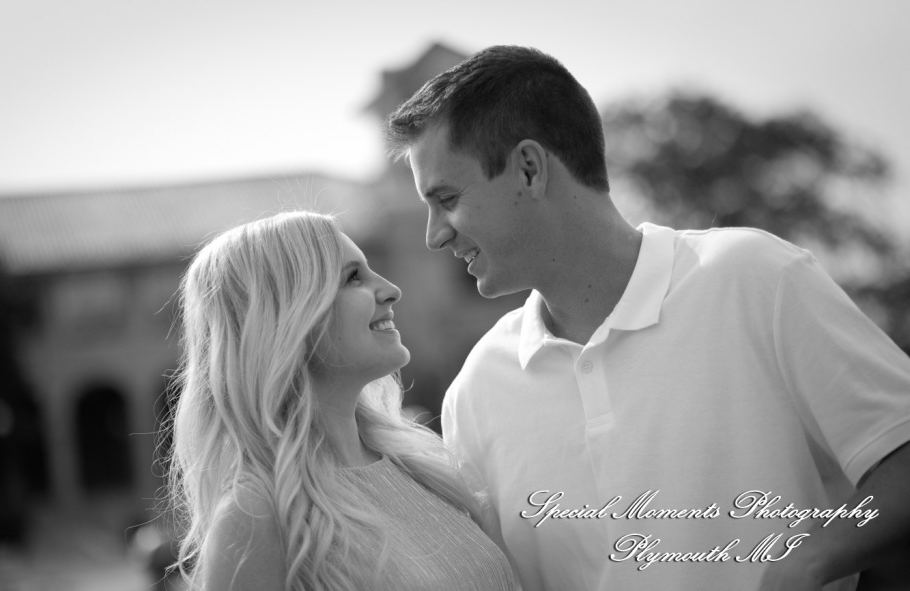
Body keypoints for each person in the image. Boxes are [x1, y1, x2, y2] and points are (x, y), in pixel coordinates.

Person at [384, 45, 910, 591]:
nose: (434, 234)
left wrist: (810, 561)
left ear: (529, 169)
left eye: (447, 198)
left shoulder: (755, 278)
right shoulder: (476, 392)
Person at [164, 211, 518, 591]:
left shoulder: (421, 467)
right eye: (352, 277)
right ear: (286, 316)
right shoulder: (255, 515)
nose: (391, 290)